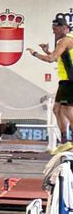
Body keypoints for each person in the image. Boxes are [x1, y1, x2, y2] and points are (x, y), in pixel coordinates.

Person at [33, 14, 72, 148]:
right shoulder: (63, 42)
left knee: (67, 111)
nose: (53, 31)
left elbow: (51, 59)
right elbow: (56, 58)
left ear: (65, 28)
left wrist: (35, 54)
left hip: (70, 81)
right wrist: (47, 51)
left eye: (55, 28)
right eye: (53, 28)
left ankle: (68, 141)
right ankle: (65, 141)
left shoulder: (65, 41)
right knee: (57, 110)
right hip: (65, 81)